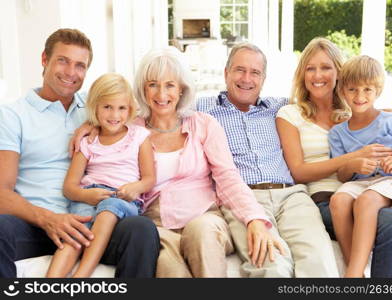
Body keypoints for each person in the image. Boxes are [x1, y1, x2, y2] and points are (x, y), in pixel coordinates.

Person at [0, 28, 160, 278]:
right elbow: (2, 192)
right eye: (63, 61)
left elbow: (130, 111)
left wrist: (90, 122)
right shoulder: (12, 116)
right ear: (45, 59)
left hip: (93, 222)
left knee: (142, 228)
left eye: (80, 65)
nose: (71, 73)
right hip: (38, 225)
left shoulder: (95, 104)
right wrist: (49, 219)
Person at [133, 47, 283, 277]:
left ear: (182, 88)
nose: (161, 94)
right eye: (153, 84)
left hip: (205, 216)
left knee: (202, 232)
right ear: (143, 89)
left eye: (170, 85)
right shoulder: (132, 130)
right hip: (158, 225)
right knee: (171, 270)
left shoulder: (203, 124)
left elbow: (227, 177)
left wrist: (254, 218)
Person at [276, 37, 392, 277]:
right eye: (310, 68)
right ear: (302, 74)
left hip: (374, 186)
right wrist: (354, 157)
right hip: (327, 197)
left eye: (326, 67)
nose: (318, 75)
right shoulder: (290, 113)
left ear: (340, 75)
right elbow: (298, 171)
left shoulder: (352, 111)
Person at [197, 42, 339, 277]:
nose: (246, 78)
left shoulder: (280, 107)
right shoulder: (202, 109)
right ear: (226, 73)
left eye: (255, 72)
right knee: (273, 264)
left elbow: (359, 109)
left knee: (318, 260)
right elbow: (153, 111)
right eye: (239, 70)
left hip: (292, 196)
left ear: (264, 78)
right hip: (244, 198)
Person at [46, 73, 156, 277]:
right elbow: (69, 187)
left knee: (108, 210)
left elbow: (149, 179)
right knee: (75, 232)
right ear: (95, 107)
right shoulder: (87, 141)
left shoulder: (139, 137)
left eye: (121, 108)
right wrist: (87, 195)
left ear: (130, 109)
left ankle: (81, 277)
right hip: (89, 195)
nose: (115, 115)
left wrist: (135, 188)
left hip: (120, 198)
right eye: (107, 107)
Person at [328, 55, 392, 277]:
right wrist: (354, 164)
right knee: (338, 200)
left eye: (367, 89)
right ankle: (358, 272)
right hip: (363, 183)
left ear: (377, 91)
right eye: (352, 89)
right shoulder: (337, 133)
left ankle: (352, 275)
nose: (359, 96)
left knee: (366, 201)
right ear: (342, 90)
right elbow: (342, 176)